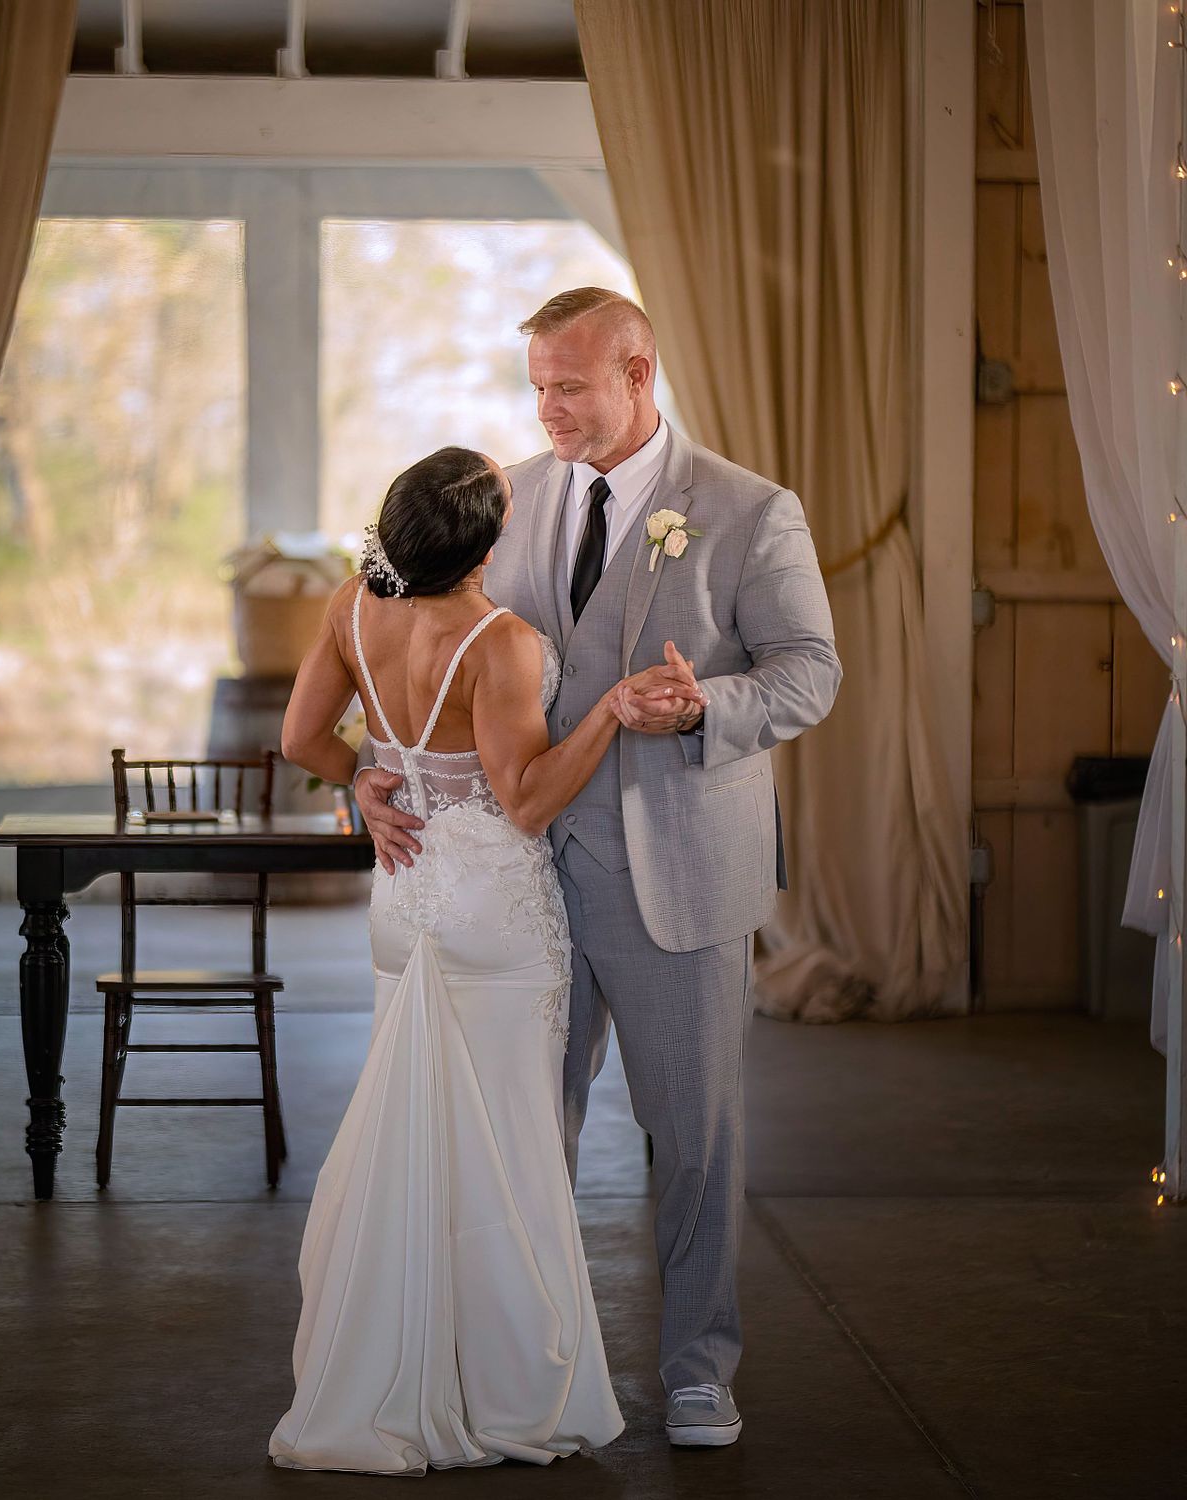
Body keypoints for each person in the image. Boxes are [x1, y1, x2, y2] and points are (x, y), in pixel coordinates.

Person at [354, 288, 842, 1448]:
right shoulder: (510, 498)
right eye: (537, 386)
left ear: (639, 371)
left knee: (694, 1134)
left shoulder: (749, 510)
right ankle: (529, 1368)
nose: (549, 409)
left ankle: (697, 1370)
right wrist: (372, 773)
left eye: (569, 386)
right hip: (521, 884)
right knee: (528, 1130)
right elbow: (422, 646)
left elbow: (808, 673)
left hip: (681, 878)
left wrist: (700, 708)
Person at [269, 445, 703, 1476]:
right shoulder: (497, 640)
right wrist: (606, 710)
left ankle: (401, 1373)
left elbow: (300, 739)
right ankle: (503, 1389)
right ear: (485, 544)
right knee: (505, 1151)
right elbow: (529, 802)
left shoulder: (351, 608)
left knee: (420, 1139)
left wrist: (367, 780)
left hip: (402, 899)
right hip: (492, 917)